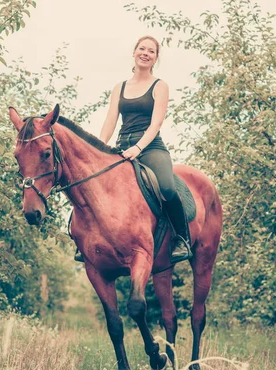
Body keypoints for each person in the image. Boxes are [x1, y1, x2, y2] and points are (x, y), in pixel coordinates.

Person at [74, 35, 192, 263]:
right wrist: (98, 148)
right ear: (134, 52)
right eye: (142, 49)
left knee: (167, 188)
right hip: (122, 146)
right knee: (90, 183)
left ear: (156, 58)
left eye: (151, 51)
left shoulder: (160, 86)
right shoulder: (120, 87)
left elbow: (156, 123)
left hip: (150, 147)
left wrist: (138, 148)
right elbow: (110, 120)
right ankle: (83, 240)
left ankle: (181, 238)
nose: (146, 53)